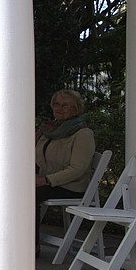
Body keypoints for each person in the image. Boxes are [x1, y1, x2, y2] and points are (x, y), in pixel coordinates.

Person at [34, 89, 95, 255]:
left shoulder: (83, 134)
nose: (59, 108)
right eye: (56, 104)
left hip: (71, 186)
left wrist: (45, 180)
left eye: (65, 105)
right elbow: (38, 158)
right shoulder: (50, 131)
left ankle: (31, 246)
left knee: (29, 195)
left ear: (76, 108)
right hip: (47, 180)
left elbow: (77, 169)